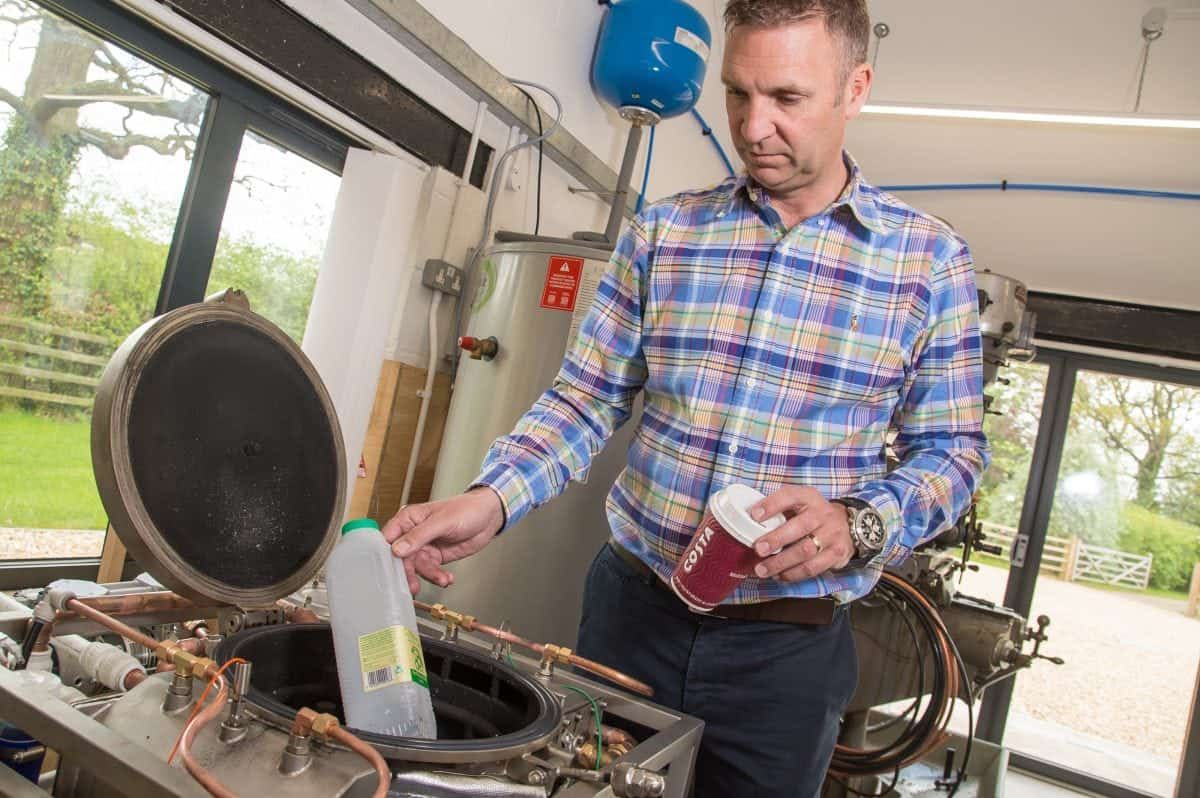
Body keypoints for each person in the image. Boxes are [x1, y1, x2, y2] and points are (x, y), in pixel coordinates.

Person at [383, 1, 989, 794]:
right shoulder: (666, 233)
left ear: (856, 87)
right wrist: (491, 498)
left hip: (787, 656)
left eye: (787, 98)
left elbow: (953, 452)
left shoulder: (928, 263)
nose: (754, 126)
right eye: (737, 94)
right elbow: (584, 397)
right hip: (631, 620)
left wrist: (862, 522)